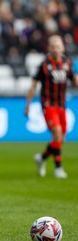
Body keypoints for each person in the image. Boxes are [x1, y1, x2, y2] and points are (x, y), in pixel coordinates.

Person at [24, 34, 78, 179]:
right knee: (57, 133)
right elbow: (33, 86)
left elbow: (74, 80)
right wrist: (28, 105)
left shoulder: (67, 63)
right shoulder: (43, 65)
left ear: (63, 47)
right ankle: (58, 169)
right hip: (48, 104)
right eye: (53, 46)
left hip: (61, 104)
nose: (56, 49)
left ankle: (41, 158)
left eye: (58, 46)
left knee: (60, 139)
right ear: (49, 48)